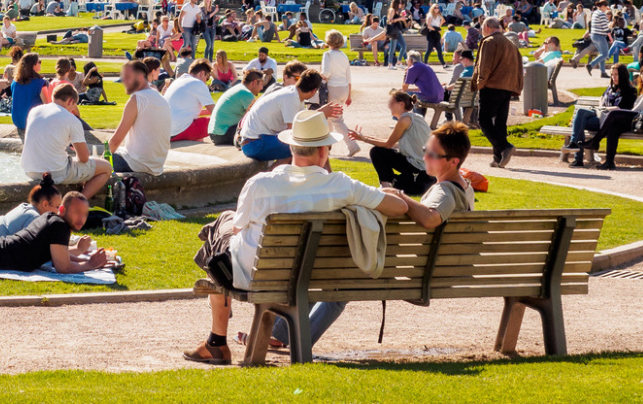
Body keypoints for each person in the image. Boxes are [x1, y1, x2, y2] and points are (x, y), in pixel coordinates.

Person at [186, 109, 411, 365]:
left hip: (253, 276)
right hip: (314, 275)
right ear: (324, 150)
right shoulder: (342, 186)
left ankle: (216, 342)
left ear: (292, 148)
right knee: (221, 233)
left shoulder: (260, 184)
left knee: (221, 229)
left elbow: (238, 230)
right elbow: (400, 208)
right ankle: (218, 338)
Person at [259, 121, 477, 355]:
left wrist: (400, 196)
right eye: (425, 150)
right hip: (433, 267)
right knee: (335, 283)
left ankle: (285, 338)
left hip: (416, 271)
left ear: (454, 162)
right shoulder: (464, 188)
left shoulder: (446, 191)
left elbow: (431, 218)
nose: (425, 157)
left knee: (328, 278)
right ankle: (284, 336)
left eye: (432, 154)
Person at [20, 82, 111, 198]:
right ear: (70, 101)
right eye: (74, 106)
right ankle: (78, 203)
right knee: (107, 167)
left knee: (74, 163)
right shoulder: (71, 120)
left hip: (30, 170)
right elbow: (84, 158)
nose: (73, 110)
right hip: (56, 172)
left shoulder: (34, 111)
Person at [236, 68, 338, 162]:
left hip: (257, 141)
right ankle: (273, 173)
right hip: (254, 144)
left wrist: (319, 113)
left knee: (314, 146)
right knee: (308, 148)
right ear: (314, 91)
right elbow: (295, 132)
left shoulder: (294, 95)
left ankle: (278, 174)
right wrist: (320, 113)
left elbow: (301, 124)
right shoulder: (291, 98)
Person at [350, 89, 434, 195]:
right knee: (400, 184)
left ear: (401, 104)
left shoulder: (404, 120)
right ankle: (391, 185)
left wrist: (364, 139)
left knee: (377, 152)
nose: (389, 106)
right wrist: (363, 137)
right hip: (424, 169)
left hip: (418, 168)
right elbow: (391, 143)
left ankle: (386, 187)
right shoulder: (416, 117)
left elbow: (388, 144)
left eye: (391, 102)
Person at [566, 63, 640, 169]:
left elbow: (623, 108)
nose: (614, 77)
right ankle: (577, 156)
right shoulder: (611, 88)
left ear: (623, 75)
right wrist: (601, 107)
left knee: (581, 114)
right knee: (580, 116)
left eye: (616, 74)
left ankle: (576, 147)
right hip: (600, 116)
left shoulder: (630, 90)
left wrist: (603, 109)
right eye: (612, 74)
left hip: (610, 121)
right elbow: (601, 98)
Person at [108, 58, 170, 179]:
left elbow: (116, 140)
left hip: (136, 163)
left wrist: (103, 160)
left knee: (90, 166)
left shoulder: (137, 99)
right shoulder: (159, 97)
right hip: (156, 164)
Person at [474, 15, 522, 168]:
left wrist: (479, 83)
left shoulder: (489, 41)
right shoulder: (510, 43)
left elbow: (485, 66)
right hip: (508, 87)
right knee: (500, 123)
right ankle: (497, 158)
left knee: (484, 120)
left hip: (492, 86)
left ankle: (504, 146)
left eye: (482, 28)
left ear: (487, 27)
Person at [317, 30, 357, 157]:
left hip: (333, 88)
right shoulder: (343, 56)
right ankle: (327, 147)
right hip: (344, 88)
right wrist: (349, 95)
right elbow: (348, 77)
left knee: (336, 120)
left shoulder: (328, 55)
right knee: (330, 119)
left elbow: (326, 73)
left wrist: (317, 75)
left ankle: (352, 145)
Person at [209, 69, 266, 146]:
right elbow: (257, 117)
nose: (262, 88)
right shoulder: (246, 93)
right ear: (254, 82)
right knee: (261, 134)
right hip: (223, 134)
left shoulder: (240, 88)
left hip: (216, 133)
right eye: (261, 84)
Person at [165, 60, 216, 141]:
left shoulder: (178, 81)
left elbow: (185, 111)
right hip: (178, 130)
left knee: (196, 124)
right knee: (220, 121)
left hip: (165, 131)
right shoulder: (199, 83)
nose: (206, 82)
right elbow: (215, 112)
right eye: (207, 78)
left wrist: (206, 112)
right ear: (202, 73)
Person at [9, 52, 49, 132]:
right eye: (39, 62)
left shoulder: (15, 82)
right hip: (33, 121)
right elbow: (47, 104)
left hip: (17, 121)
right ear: (33, 65)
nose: (40, 64)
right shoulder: (41, 83)